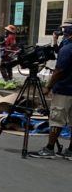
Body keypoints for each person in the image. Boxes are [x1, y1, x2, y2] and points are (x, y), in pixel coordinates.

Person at [30, 23, 72, 159]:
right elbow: (58, 51)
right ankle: (70, 150)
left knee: (56, 119)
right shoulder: (65, 48)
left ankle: (49, 148)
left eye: (64, 35)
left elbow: (59, 70)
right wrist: (54, 40)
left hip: (64, 90)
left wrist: (48, 86)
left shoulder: (67, 49)